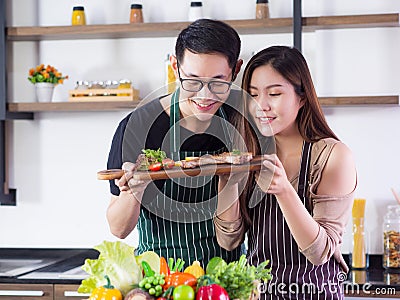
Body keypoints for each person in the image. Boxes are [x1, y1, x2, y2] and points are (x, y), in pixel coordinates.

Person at [214, 46, 357, 299]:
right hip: (258, 293)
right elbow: (228, 240)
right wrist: (229, 183)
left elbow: (319, 252)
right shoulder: (247, 151)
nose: (261, 106)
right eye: (253, 94)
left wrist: (283, 190)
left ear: (302, 98)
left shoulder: (332, 157)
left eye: (275, 94)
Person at [106, 19, 244, 268]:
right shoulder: (137, 126)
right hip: (160, 276)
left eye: (218, 82)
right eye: (192, 81)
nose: (205, 96)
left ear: (235, 70)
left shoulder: (240, 121)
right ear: (175, 66)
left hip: (226, 276)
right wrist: (135, 189)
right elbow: (118, 228)